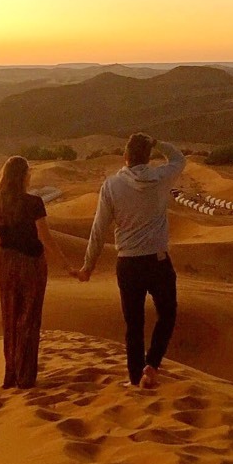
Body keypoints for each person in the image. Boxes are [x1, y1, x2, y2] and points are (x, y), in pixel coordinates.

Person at [78, 133, 185, 388]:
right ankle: (152, 365)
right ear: (148, 158)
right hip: (157, 261)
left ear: (125, 157)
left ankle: (136, 377)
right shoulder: (160, 178)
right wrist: (158, 142)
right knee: (167, 315)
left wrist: (88, 266)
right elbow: (179, 158)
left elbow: (99, 228)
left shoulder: (111, 185)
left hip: (127, 263)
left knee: (133, 325)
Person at [0, 156, 77, 388]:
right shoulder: (34, 203)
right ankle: (25, 376)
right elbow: (45, 238)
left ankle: (11, 374)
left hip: (7, 264)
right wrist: (66, 265)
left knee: (11, 318)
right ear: (23, 175)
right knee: (29, 318)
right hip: (32, 264)